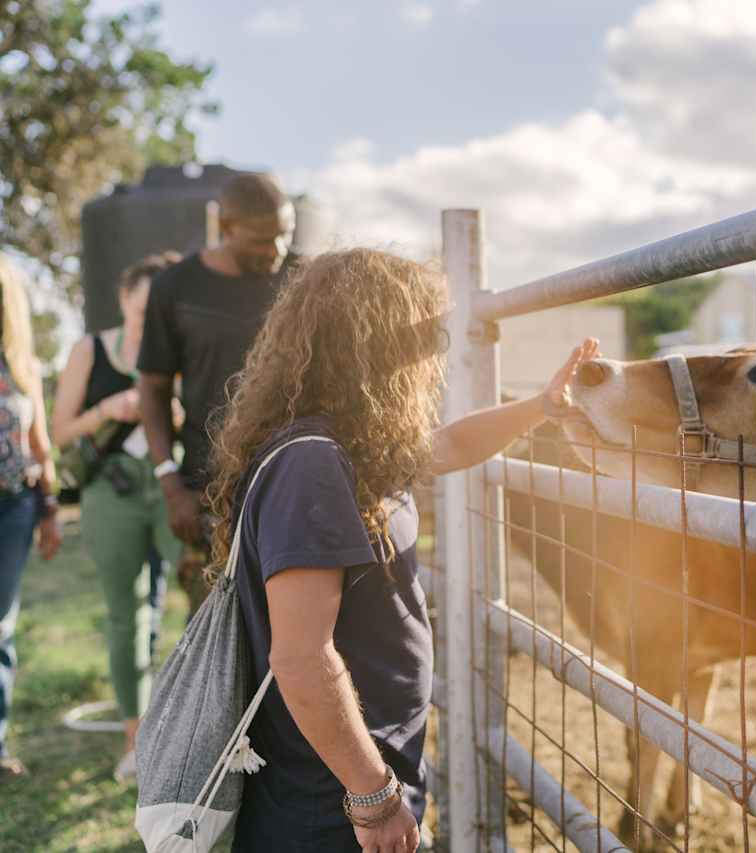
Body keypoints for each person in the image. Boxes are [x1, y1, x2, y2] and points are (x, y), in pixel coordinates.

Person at [205, 248, 597, 852]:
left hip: (351, 778)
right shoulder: (312, 464)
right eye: (423, 336)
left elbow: (451, 444)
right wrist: (373, 800)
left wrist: (539, 409)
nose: (433, 355)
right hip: (330, 801)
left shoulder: (352, 448)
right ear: (378, 348)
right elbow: (302, 659)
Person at [50, 252, 185, 783]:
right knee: (126, 613)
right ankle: (136, 739)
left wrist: (169, 411)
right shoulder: (90, 350)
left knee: (205, 599)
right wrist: (108, 409)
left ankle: (202, 726)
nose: (147, 316)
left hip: (172, 484)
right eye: (140, 306)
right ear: (124, 299)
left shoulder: (180, 348)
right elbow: (61, 430)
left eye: (158, 308)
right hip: (111, 490)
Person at [138, 172, 297, 616]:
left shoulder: (302, 279)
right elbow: (152, 388)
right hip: (210, 493)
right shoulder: (174, 287)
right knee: (218, 639)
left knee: (293, 634)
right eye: (263, 239)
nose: (276, 250)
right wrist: (170, 483)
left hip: (294, 480)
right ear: (224, 228)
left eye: (285, 234)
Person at [0, 255, 63, 778]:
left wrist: (49, 512)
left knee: (0, 627)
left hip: (15, 507)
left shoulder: (24, 366)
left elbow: (40, 445)